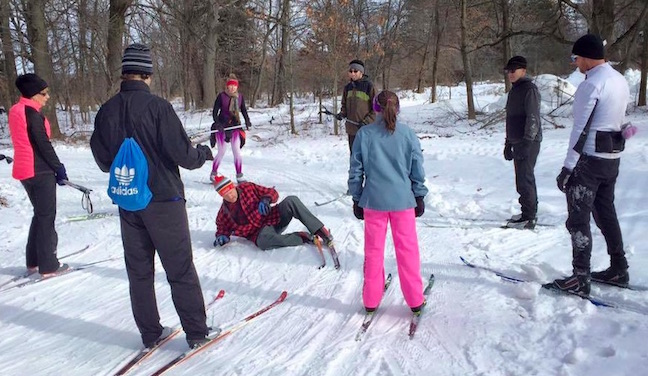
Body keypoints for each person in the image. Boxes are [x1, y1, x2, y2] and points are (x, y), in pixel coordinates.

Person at [90, 43, 214, 349]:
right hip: (163, 200)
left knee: (139, 271)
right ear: (147, 74)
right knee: (179, 267)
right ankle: (197, 333)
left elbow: (104, 160)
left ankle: (150, 333)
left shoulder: (106, 111)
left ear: (124, 74)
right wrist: (203, 154)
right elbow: (182, 153)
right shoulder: (159, 108)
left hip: (130, 200)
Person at [544, 34, 631, 295]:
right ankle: (619, 267)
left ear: (586, 58)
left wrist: (568, 167)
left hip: (589, 161)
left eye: (576, 58)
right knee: (606, 214)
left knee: (578, 220)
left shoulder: (591, 85)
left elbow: (580, 129)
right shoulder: (619, 80)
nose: (575, 64)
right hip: (612, 159)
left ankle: (580, 277)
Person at [348, 90, 428, 314]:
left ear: (375, 108)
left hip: (374, 202)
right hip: (403, 202)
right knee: (408, 251)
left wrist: (356, 197)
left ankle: (371, 300)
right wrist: (419, 195)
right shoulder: (408, 134)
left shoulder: (364, 134)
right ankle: (415, 299)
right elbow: (417, 169)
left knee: (373, 252)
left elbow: (356, 170)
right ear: (398, 108)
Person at [8, 73, 69, 277]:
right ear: (33, 94)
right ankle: (49, 265)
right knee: (47, 216)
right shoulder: (31, 114)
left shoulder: (16, 110)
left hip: (25, 169)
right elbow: (42, 143)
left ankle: (33, 261)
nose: (47, 97)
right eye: (44, 93)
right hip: (38, 169)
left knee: (40, 213)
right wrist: (58, 167)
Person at [212, 175, 334, 251]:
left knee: (291, 200)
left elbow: (272, 192)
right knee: (263, 243)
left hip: (274, 218)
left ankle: (321, 231)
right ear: (221, 195)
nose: (230, 196)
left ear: (233, 186)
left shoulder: (248, 188)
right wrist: (221, 237)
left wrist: (267, 199)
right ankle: (304, 237)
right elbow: (222, 228)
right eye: (225, 195)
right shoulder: (224, 212)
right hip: (260, 233)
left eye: (230, 191)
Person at [502, 55, 542, 230]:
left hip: (529, 141)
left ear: (523, 71)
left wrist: (527, 141)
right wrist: (508, 142)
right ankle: (526, 212)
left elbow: (533, 116)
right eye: (508, 71)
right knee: (521, 179)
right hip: (517, 140)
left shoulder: (529, 89)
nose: (510, 74)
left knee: (526, 178)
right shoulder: (515, 90)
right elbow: (511, 118)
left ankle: (530, 216)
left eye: (513, 70)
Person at [210, 74, 252, 183]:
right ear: (227, 86)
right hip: (222, 127)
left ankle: (239, 175)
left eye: (234, 86)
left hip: (235, 126)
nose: (232, 88)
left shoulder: (240, 97)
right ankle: (213, 173)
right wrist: (217, 123)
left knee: (236, 151)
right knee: (222, 151)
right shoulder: (221, 96)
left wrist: (247, 121)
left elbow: (243, 110)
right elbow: (215, 112)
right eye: (230, 85)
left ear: (237, 87)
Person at [336, 59, 376, 152]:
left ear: (361, 72)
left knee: (366, 156)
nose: (352, 73)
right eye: (350, 71)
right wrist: (342, 114)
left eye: (355, 71)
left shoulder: (369, 86)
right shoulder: (348, 87)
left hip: (366, 130)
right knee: (354, 156)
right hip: (352, 130)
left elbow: (376, 109)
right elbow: (344, 105)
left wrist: (367, 121)